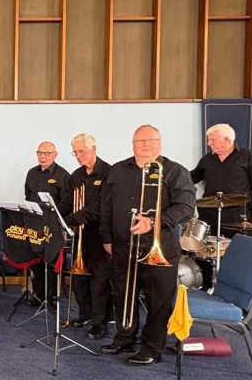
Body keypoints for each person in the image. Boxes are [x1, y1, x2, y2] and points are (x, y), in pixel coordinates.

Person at [99, 125, 195, 365]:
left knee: (158, 301)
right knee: (122, 295)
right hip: (123, 246)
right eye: (140, 141)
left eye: (151, 140)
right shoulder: (117, 170)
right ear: (133, 144)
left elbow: (185, 207)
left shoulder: (175, 171)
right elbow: (106, 206)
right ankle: (124, 338)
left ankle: (151, 348)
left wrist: (152, 222)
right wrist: (107, 237)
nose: (145, 144)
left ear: (160, 143)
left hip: (159, 247)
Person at [62, 133, 112, 340]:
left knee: (99, 281)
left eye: (81, 151)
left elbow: (102, 206)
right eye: (75, 152)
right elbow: (68, 201)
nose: (78, 156)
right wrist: (57, 216)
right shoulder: (76, 175)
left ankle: (100, 323)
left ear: (94, 149)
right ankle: (85, 315)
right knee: (79, 279)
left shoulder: (109, 172)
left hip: (100, 234)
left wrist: (73, 218)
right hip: (80, 234)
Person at [191, 123, 252, 230]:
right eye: (209, 140)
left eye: (213, 140)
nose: (209, 143)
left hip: (238, 215)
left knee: (237, 241)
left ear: (227, 140)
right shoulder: (207, 159)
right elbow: (191, 178)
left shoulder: (248, 157)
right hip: (209, 215)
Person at [25, 141, 72, 306]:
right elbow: (27, 196)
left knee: (51, 261)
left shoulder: (63, 175)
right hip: (34, 224)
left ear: (55, 155)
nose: (43, 157)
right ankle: (39, 294)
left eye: (47, 153)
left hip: (53, 226)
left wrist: (53, 215)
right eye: (40, 153)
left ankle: (50, 297)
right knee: (35, 260)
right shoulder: (31, 173)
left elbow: (67, 202)